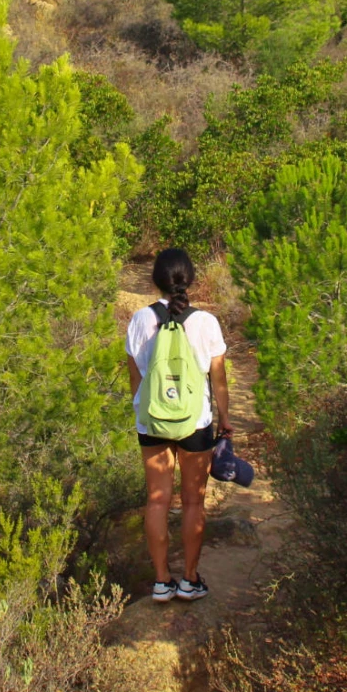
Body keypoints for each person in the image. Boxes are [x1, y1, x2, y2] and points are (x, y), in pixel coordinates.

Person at [126, 247, 231, 602]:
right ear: (191, 279)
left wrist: (143, 414)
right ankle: (189, 580)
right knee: (192, 504)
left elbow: (135, 379)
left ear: (155, 279)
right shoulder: (206, 323)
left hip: (152, 422)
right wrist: (226, 421)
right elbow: (218, 380)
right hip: (195, 424)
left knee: (156, 502)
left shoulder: (140, 320)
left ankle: (160, 582)